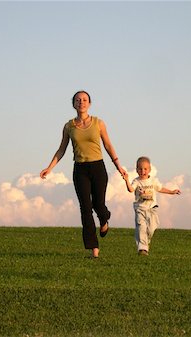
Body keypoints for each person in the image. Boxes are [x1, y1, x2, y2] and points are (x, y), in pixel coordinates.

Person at [40, 91, 127, 258]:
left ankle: (104, 218)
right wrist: (49, 168)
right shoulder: (68, 126)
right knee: (85, 208)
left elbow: (108, 145)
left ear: (90, 103)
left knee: (98, 204)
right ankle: (93, 248)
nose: (81, 102)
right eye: (78, 100)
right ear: (74, 104)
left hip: (98, 168)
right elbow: (61, 149)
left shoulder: (98, 123)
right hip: (80, 170)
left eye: (85, 100)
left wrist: (118, 166)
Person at [122, 156, 181, 256]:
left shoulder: (153, 181)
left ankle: (145, 239)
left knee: (151, 227)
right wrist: (126, 180)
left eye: (145, 169)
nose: (143, 171)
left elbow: (160, 188)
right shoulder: (136, 181)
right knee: (141, 227)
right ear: (136, 170)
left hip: (152, 208)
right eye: (140, 169)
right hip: (140, 209)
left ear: (149, 170)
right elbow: (131, 189)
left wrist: (171, 192)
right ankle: (143, 249)